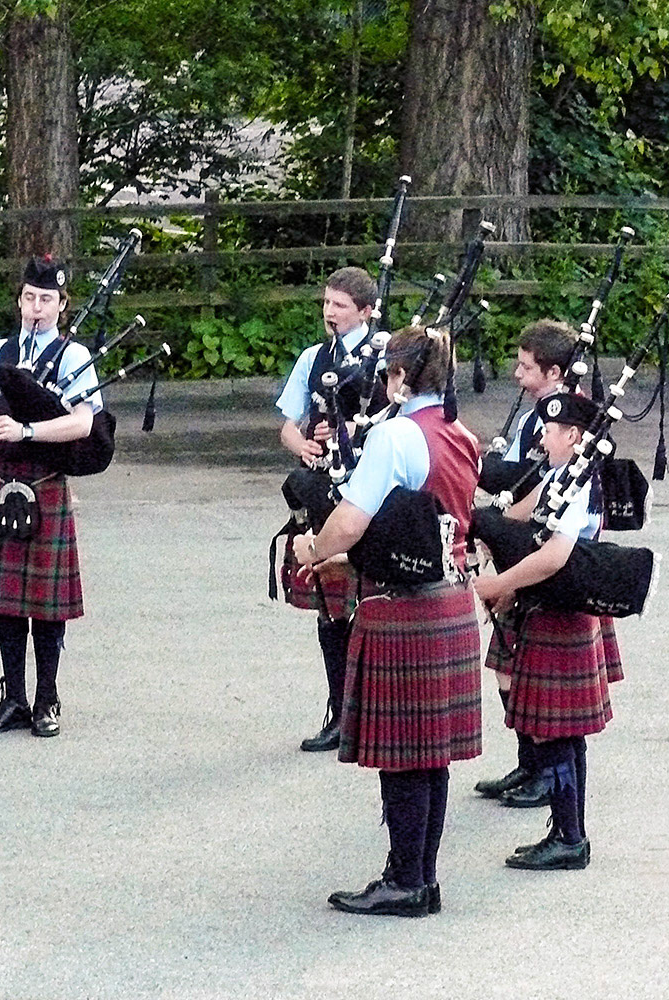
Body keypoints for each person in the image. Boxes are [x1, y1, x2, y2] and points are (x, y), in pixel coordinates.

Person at [293, 325, 482, 917]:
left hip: (403, 605)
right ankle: (420, 878)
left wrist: (313, 549)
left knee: (404, 752)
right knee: (432, 754)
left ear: (398, 377)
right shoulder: (462, 435)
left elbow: (351, 521)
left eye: (386, 374)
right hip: (452, 600)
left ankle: (405, 880)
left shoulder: (396, 435)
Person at [0, 255, 100, 738]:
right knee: (6, 603)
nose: (38, 308)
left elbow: (83, 422)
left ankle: (47, 699)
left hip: (44, 482)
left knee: (45, 605)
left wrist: (26, 429)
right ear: (19, 300)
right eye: (30, 298)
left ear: (62, 305)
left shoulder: (74, 357)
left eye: (47, 300)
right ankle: (13, 698)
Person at [473, 390, 618, 871]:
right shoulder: (560, 474)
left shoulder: (580, 483)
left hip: (561, 611)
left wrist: (501, 582)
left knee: (557, 734)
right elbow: (518, 516)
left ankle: (570, 836)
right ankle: (565, 830)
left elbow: (556, 554)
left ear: (574, 436)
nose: (542, 437)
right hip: (549, 607)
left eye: (550, 431)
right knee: (562, 735)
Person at [275, 266, 384, 752]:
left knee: (370, 609)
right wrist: (303, 445)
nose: (329, 312)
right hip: (323, 491)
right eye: (326, 303)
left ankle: (371, 714)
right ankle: (340, 713)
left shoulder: (386, 358)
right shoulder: (313, 358)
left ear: (365, 311)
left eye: (339, 305)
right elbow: (288, 427)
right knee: (330, 609)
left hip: (369, 493)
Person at [474, 320, 574, 808]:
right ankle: (530, 764)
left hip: (540, 557)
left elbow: (542, 488)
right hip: (520, 548)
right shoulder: (535, 417)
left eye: (526, 366)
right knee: (507, 672)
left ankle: (548, 780)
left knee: (538, 687)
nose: (517, 373)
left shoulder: (566, 424)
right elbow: (517, 471)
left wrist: (497, 525)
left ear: (554, 372)